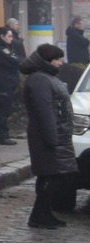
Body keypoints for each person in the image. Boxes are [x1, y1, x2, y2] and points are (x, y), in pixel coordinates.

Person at [20, 43, 75, 229]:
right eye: (57, 59)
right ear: (47, 61)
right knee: (50, 176)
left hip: (56, 134)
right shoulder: (39, 80)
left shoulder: (48, 77)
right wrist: (52, 138)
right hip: (46, 136)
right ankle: (38, 215)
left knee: (53, 176)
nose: (60, 63)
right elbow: (44, 112)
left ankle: (44, 213)